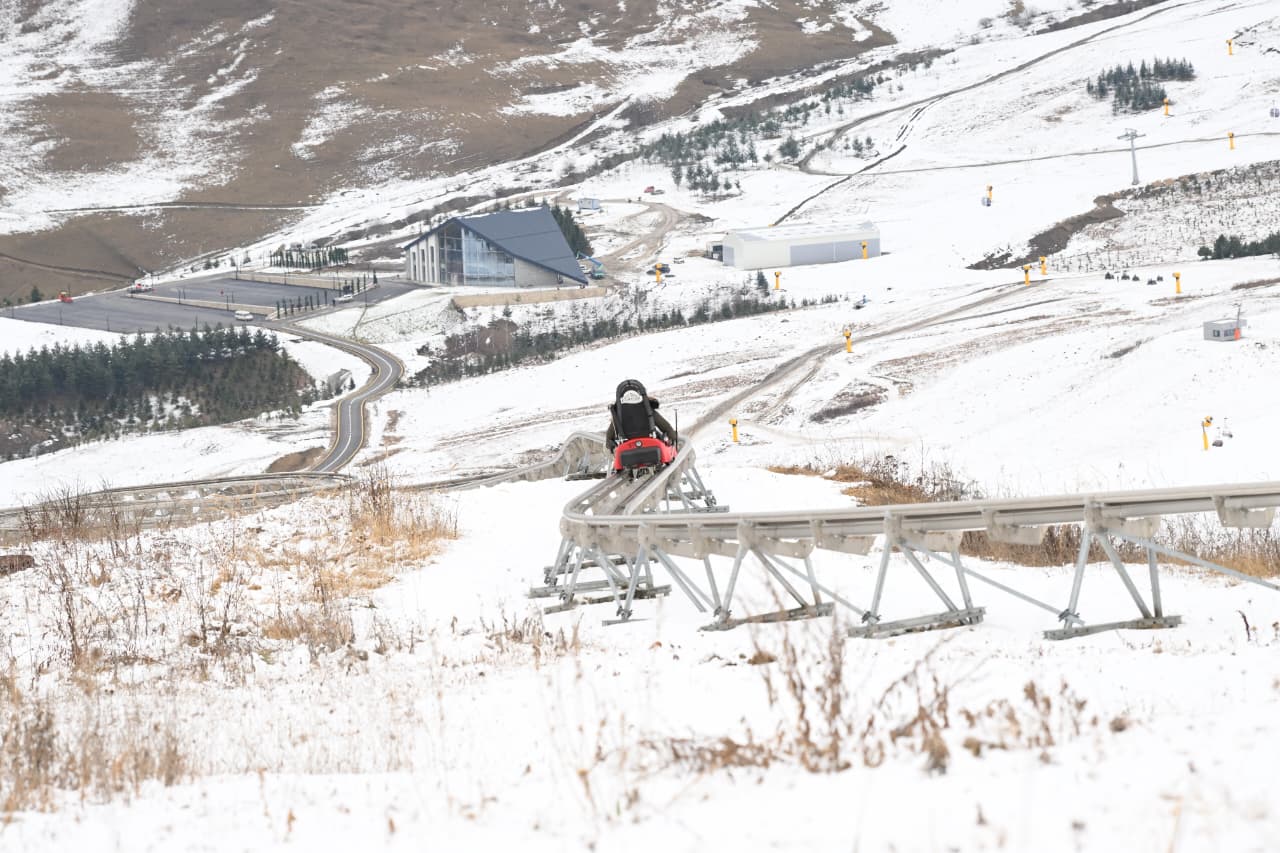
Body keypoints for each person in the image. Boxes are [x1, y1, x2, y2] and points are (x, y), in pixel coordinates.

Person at [605, 379, 677, 453]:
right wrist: (673, 439)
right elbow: (666, 427)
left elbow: (609, 440)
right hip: (652, 448)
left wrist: (612, 446)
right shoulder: (649, 411)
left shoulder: (618, 416)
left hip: (628, 451)